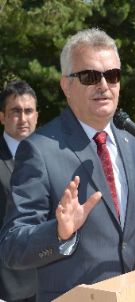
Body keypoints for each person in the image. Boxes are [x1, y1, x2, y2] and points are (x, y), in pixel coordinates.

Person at [0, 29, 135, 302]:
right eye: (90, 76)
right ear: (66, 85)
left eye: (112, 75)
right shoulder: (39, 150)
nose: (104, 85)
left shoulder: (131, 140)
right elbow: (12, 246)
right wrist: (58, 232)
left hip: (131, 293)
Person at [0, 80, 38, 302]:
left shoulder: (51, 156)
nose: (23, 119)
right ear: (2, 117)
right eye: (15, 111)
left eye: (28, 111)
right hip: (7, 287)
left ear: (36, 116)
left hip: (47, 280)